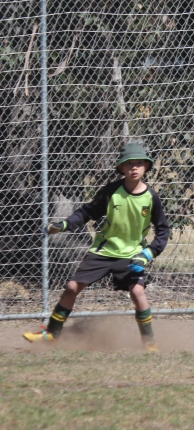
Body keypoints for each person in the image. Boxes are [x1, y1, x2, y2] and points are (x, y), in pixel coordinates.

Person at [23, 143, 170, 351]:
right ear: (121, 168)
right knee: (72, 287)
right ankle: (51, 334)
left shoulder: (151, 197)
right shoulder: (111, 191)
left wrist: (147, 254)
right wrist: (64, 224)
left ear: (146, 166)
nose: (134, 168)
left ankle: (149, 342)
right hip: (103, 252)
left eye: (139, 163)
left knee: (138, 293)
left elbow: (163, 231)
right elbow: (86, 212)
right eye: (129, 164)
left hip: (132, 255)